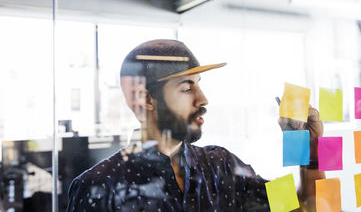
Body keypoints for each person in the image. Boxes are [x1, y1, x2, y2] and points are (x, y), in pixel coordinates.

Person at [66, 39, 325, 212]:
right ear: (146, 99)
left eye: (199, 84)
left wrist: (311, 152)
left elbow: (302, 205)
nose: (203, 99)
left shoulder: (221, 164)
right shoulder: (97, 186)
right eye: (187, 87)